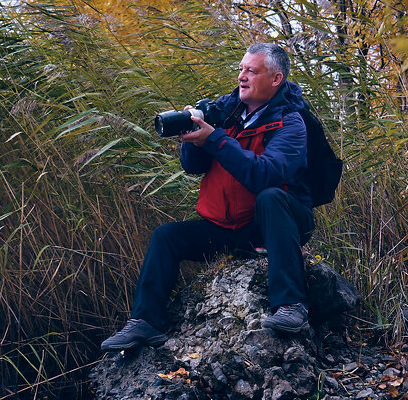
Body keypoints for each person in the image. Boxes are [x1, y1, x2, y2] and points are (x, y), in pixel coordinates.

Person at [100, 43, 315, 352]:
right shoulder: (226, 111)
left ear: (276, 79)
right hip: (230, 229)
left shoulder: (292, 123)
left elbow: (264, 175)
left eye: (252, 71)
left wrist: (214, 138)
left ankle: (291, 305)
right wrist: (193, 137)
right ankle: (145, 323)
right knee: (166, 236)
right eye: (241, 69)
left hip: (280, 222)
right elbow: (193, 167)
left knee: (269, 196)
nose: (242, 76)